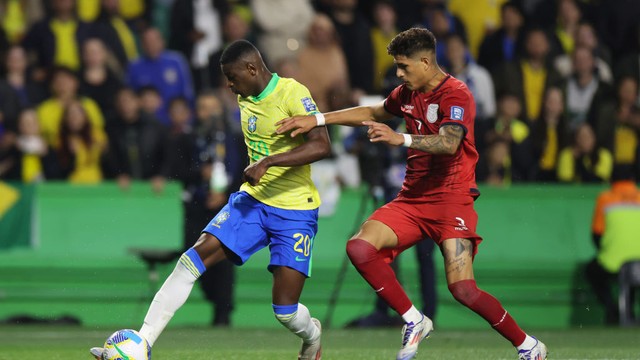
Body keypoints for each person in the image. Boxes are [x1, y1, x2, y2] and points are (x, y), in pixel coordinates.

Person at [276, 27, 547, 360]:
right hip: (412, 200)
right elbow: (372, 113)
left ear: (425, 61)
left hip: (451, 201)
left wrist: (399, 139)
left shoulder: (456, 94)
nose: (399, 73)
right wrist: (317, 120)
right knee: (360, 248)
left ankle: (527, 345)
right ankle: (413, 319)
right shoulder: (407, 93)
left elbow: (449, 143)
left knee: (462, 289)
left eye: (404, 66)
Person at [90, 39, 331, 359]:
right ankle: (143, 342)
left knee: (285, 311)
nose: (230, 86)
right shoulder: (245, 97)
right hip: (254, 202)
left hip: (296, 210)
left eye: (233, 78)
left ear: (252, 68)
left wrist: (269, 162)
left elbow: (322, 145)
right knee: (191, 260)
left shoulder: (291, 92)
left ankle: (312, 337)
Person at [585, 164, 640, 324]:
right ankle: (628, 312)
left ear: (611, 180)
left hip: (614, 263)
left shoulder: (605, 198)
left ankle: (612, 310)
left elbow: (596, 235)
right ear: (632, 179)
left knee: (592, 271)